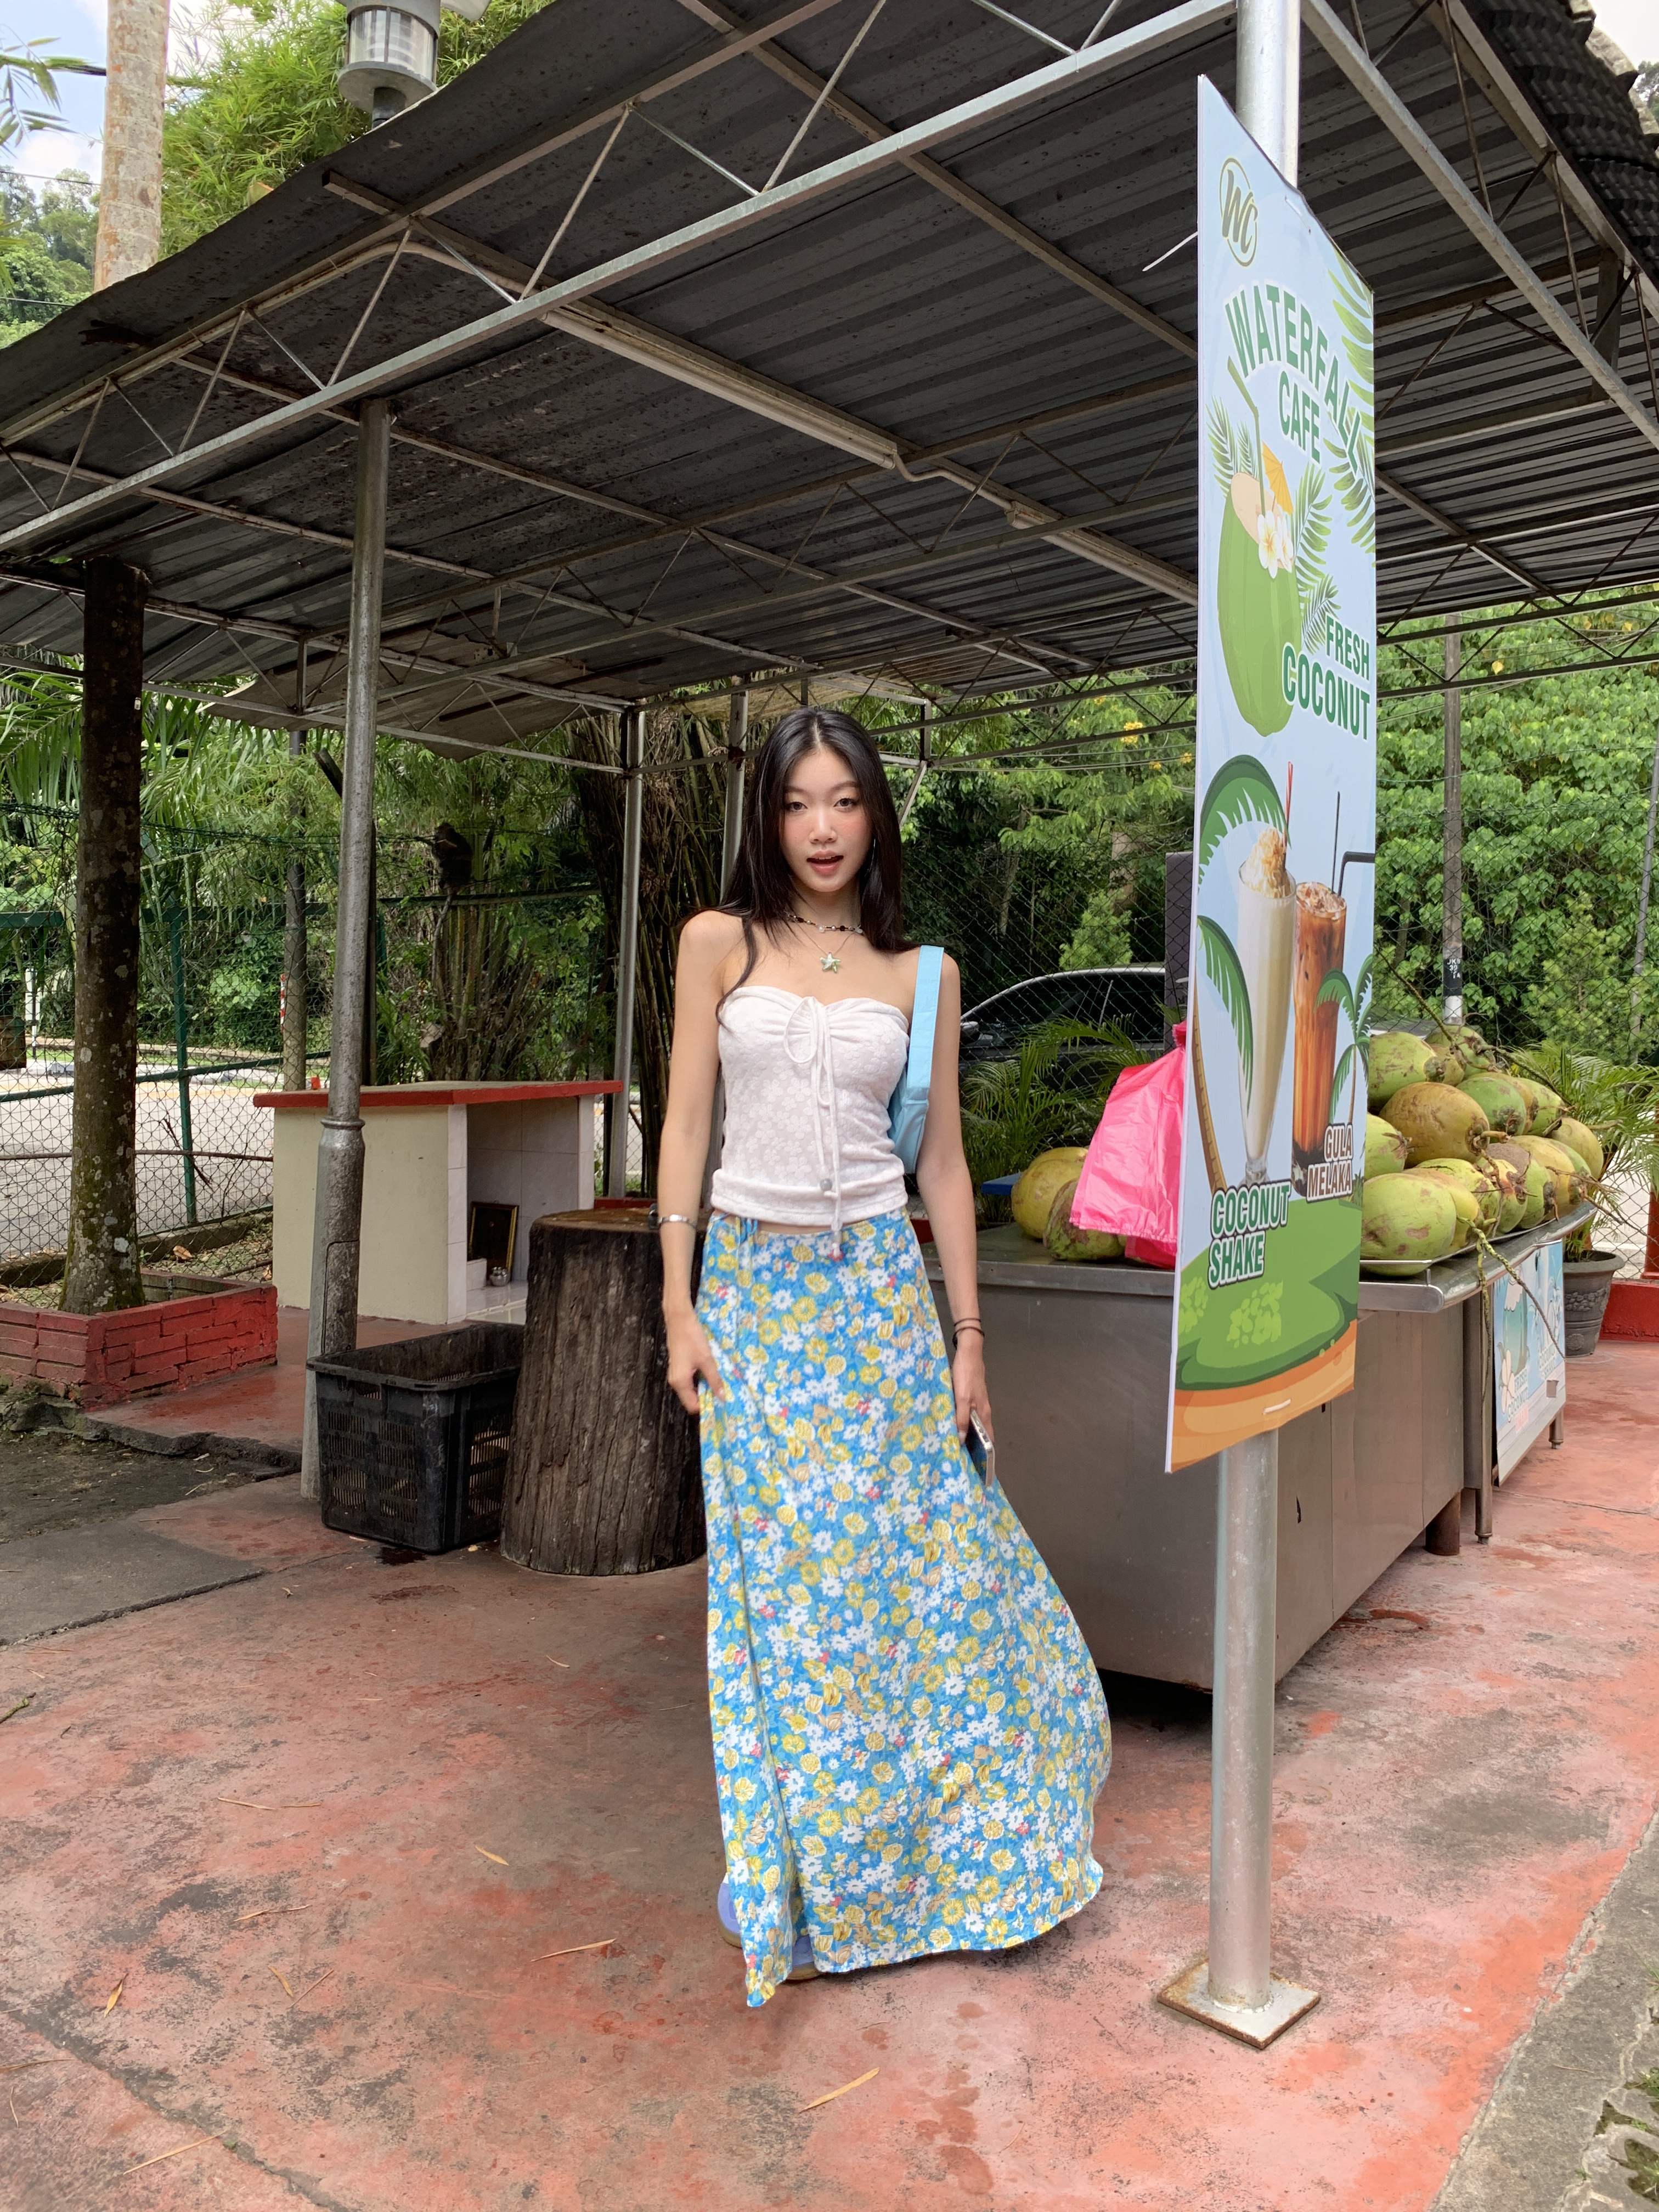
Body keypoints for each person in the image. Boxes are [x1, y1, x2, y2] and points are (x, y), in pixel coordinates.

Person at [655, 706, 1112, 2008]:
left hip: (878, 1304)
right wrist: (677, 1307)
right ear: (768, 816)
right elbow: (684, 1128)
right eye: (798, 803)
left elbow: (945, 1167)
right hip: (755, 1302)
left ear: (875, 818)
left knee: (920, 1582)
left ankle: (953, 1852)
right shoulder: (717, 942)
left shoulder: (925, 972)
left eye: (845, 802)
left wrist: (969, 1339)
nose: (822, 829)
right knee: (790, 1602)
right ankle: (804, 1876)